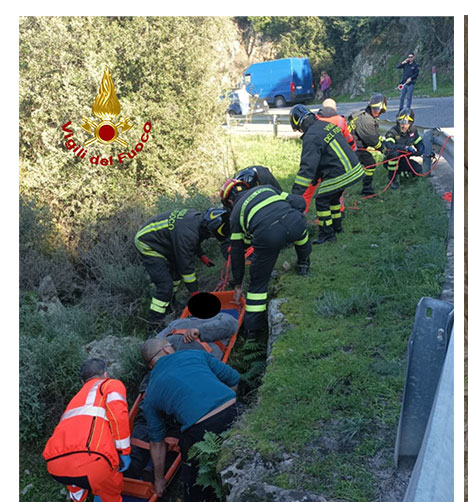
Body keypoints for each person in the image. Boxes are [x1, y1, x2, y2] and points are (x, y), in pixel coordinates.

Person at [43, 358, 131, 502]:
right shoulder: (110, 385)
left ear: (83, 382)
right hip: (93, 463)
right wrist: (124, 451)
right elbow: (118, 416)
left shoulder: (76, 399)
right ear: (105, 374)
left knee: (73, 468)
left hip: (55, 464)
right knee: (111, 500)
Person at [139, 338, 241, 502]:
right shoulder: (195, 354)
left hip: (200, 429)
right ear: (166, 349)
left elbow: (156, 442)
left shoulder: (150, 393)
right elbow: (234, 378)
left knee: (194, 483)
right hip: (235, 410)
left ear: (150, 366)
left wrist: (159, 480)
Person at [228, 182, 311, 336]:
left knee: (258, 284)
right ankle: (303, 263)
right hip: (295, 223)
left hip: (269, 235)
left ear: (230, 202)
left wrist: (238, 284)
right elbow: (299, 202)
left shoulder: (235, 214)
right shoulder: (265, 188)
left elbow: (237, 253)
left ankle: (252, 332)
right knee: (301, 235)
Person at [135, 208, 230, 327]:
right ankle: (154, 323)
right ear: (209, 228)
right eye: (210, 234)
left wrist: (201, 255)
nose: (209, 237)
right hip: (148, 243)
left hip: (163, 239)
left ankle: (170, 304)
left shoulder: (197, 219)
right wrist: (195, 293)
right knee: (165, 286)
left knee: (176, 275)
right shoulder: (187, 233)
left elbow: (193, 240)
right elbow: (186, 268)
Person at [290, 103, 363, 243]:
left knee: (321, 200)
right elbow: (322, 158)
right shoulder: (325, 125)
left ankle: (327, 235)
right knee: (333, 198)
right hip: (354, 168)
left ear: (300, 124)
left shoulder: (311, 136)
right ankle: (337, 227)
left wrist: (296, 194)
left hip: (341, 172)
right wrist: (316, 176)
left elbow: (307, 168)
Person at [299, 99, 357, 219]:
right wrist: (352, 152)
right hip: (336, 163)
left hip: (318, 162)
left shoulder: (316, 120)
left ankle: (300, 213)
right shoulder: (340, 120)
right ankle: (340, 211)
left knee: (308, 190)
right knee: (337, 192)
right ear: (335, 109)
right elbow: (348, 139)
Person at [348, 94, 387, 198]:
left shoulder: (365, 115)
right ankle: (365, 189)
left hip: (354, 146)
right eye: (374, 108)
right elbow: (372, 140)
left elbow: (374, 135)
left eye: (378, 109)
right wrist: (383, 149)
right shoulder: (366, 120)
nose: (376, 111)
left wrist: (383, 141)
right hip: (353, 148)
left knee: (369, 163)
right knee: (368, 164)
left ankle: (365, 188)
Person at [384, 109, 426, 190]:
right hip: (391, 160)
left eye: (406, 123)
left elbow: (418, 142)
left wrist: (421, 149)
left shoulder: (413, 131)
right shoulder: (392, 132)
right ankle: (392, 179)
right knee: (394, 154)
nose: (403, 126)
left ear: (410, 123)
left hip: (405, 159)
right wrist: (405, 148)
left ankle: (408, 178)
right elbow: (389, 145)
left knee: (418, 170)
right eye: (401, 122)